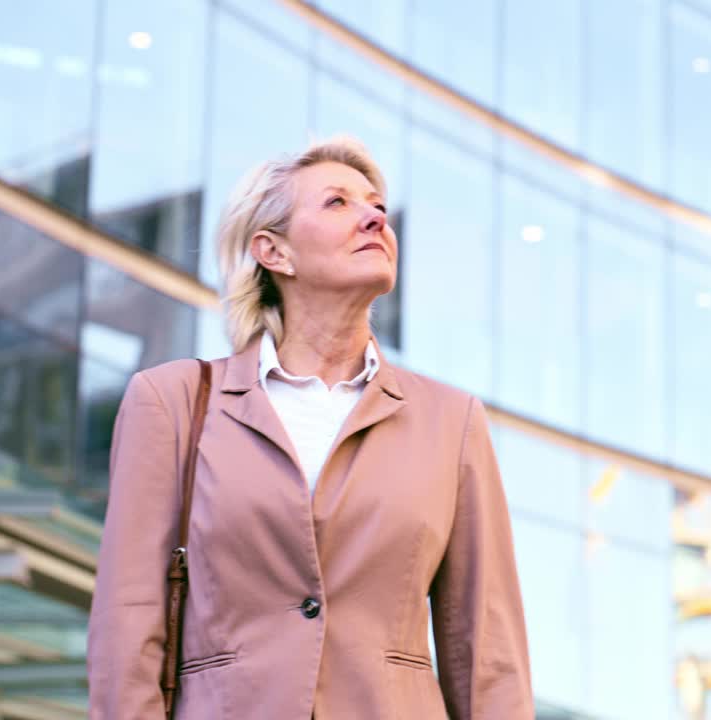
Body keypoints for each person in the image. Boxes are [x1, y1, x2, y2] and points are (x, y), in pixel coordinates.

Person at [87, 135, 533, 719]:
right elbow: (129, 622)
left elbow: (487, 651)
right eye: (338, 203)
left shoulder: (451, 423)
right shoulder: (171, 403)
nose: (375, 216)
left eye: (376, 204)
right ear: (274, 252)